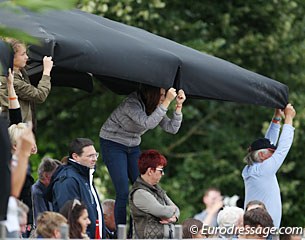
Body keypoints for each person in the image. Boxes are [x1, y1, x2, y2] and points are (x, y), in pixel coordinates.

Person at [100, 84, 186, 226]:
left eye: (166, 95)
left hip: (132, 145)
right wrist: (166, 102)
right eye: (163, 94)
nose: (165, 98)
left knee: (143, 187)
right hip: (113, 142)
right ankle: (120, 234)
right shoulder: (131, 104)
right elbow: (148, 123)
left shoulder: (153, 106)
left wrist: (178, 106)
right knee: (123, 191)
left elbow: (172, 128)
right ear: (152, 93)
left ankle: (137, 230)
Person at [242, 104, 296, 228]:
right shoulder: (263, 170)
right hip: (265, 232)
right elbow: (284, 147)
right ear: (261, 155)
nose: (274, 155)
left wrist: (277, 117)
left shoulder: (251, 169)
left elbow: (268, 141)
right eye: (271, 152)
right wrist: (288, 118)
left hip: (258, 229)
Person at [50, 138, 105, 239]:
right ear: (75, 156)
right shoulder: (68, 180)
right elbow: (69, 218)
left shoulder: (85, 176)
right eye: (90, 156)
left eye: (95, 155)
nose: (95, 159)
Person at [0, 38, 53, 130]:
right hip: (15, 133)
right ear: (11, 57)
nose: (27, 57)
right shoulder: (9, 79)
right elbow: (40, 95)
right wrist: (47, 71)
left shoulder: (20, 71)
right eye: (23, 54)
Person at [129, 149, 180, 239]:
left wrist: (174, 217)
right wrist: (173, 210)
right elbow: (163, 212)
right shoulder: (140, 193)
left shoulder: (157, 189)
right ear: (150, 171)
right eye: (160, 170)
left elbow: (177, 210)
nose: (163, 174)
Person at [32, 157, 61, 225]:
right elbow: (43, 222)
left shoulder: (46, 190)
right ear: (46, 176)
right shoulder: (37, 193)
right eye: (56, 175)